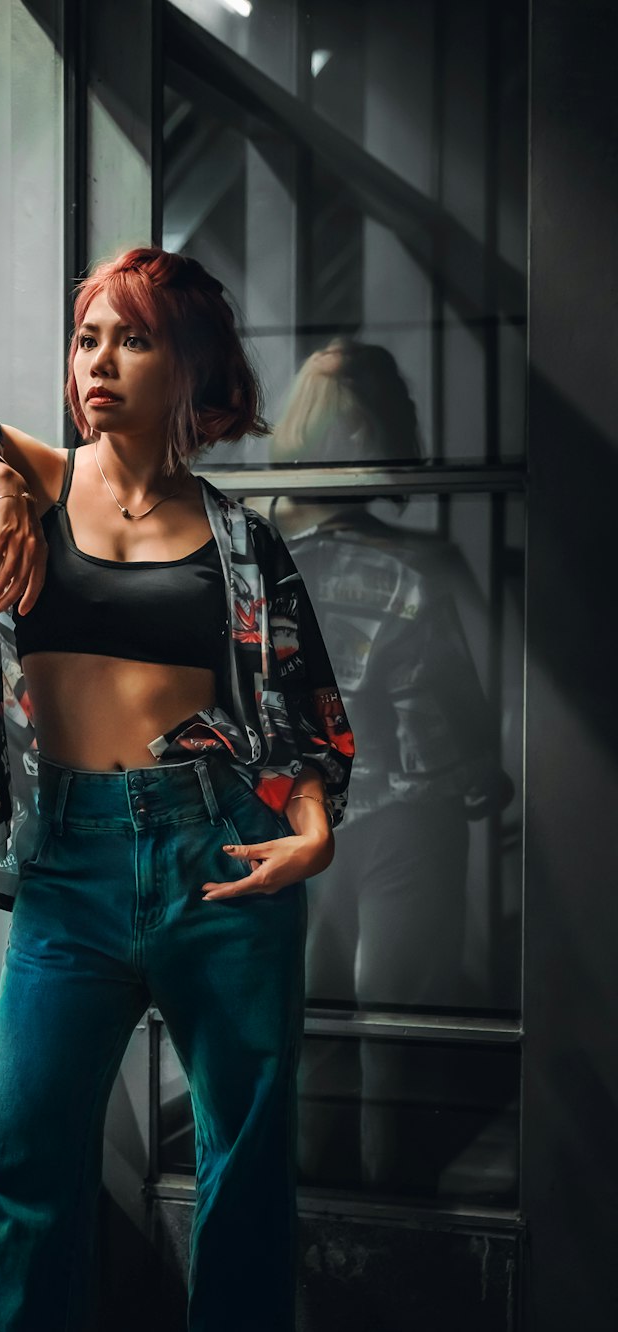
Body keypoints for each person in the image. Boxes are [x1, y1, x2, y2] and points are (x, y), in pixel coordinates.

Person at [0, 248, 354, 1331]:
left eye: (134, 338)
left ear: (189, 366)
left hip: (221, 854)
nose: (101, 362)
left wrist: (311, 832)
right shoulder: (27, 477)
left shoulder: (244, 542)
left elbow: (305, 718)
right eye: (88, 337)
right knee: (18, 1169)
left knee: (246, 1167)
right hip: (68, 868)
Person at [265, 338, 515, 1193]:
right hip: (398, 808)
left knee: (327, 1018)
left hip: (314, 810)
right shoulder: (419, 562)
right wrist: (485, 772)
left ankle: (331, 1209)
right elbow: (476, 701)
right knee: (389, 1023)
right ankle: (375, 1201)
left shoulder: (255, 547)